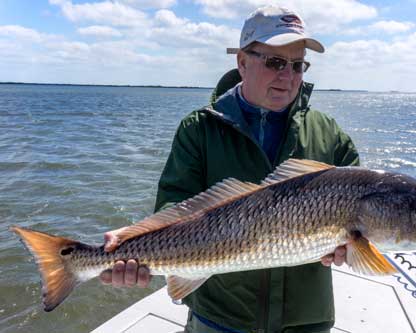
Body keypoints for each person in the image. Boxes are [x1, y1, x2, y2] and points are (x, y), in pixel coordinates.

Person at [100, 5, 359, 333]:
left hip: (305, 318)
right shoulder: (199, 129)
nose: (288, 76)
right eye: (275, 62)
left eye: (298, 65)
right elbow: (174, 204)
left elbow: (361, 205)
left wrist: (349, 248)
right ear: (242, 62)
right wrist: (133, 244)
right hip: (220, 317)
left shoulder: (329, 134)